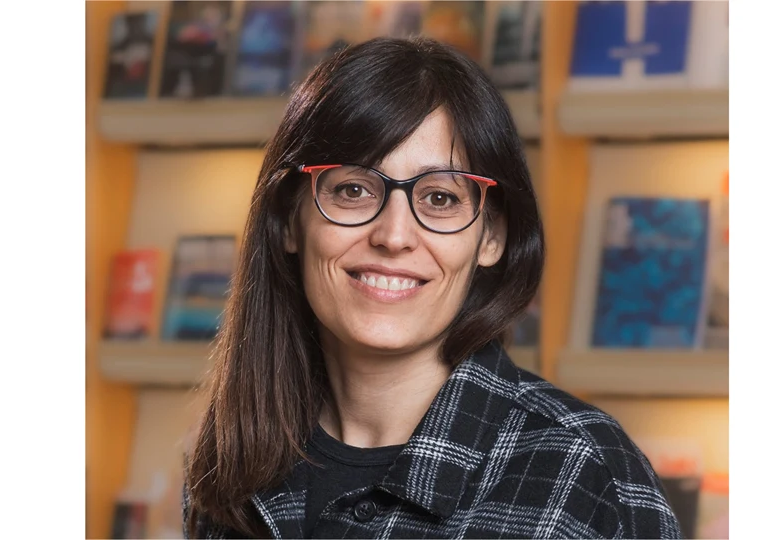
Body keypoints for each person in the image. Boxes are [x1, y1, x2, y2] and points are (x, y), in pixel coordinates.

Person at [182, 37, 682, 539]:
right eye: (353, 190)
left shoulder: (587, 473)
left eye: (440, 198)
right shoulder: (231, 463)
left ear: (492, 236)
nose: (394, 236)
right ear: (290, 220)